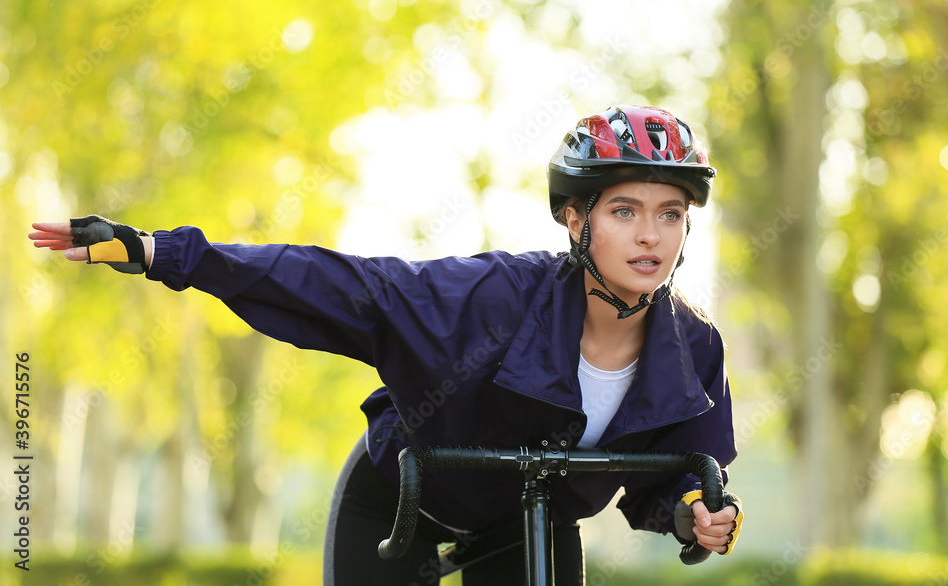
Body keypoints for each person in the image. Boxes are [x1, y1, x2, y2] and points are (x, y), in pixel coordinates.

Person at [30, 104, 743, 585]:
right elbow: (336, 284)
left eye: (670, 214)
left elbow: (678, 474)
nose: (651, 235)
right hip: (399, 505)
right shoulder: (489, 299)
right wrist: (165, 254)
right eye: (625, 210)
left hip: (528, 521)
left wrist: (695, 511)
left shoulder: (694, 346)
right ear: (574, 217)